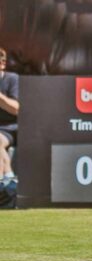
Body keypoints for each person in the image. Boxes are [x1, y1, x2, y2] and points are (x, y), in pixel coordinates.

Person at [0, 47, 19, 184]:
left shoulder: (12, 79)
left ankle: (8, 180)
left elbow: (15, 109)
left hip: (9, 128)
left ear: (2, 64)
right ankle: (8, 182)